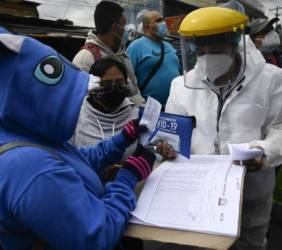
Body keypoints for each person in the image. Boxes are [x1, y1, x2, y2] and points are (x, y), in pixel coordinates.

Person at [0, 27, 157, 250]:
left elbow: (78, 160)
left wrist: (122, 139)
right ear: (32, 97)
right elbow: (96, 235)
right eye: (67, 98)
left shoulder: (25, 131)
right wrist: (127, 179)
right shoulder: (32, 170)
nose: (76, 106)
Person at [165, 7, 282, 250]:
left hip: (250, 194)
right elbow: (174, 133)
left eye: (216, 51)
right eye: (200, 52)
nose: (207, 58)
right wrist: (165, 148)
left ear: (234, 45)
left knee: (248, 245)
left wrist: (264, 150)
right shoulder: (181, 85)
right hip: (198, 195)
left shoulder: (271, 80)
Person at [72, 57, 176, 160]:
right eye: (107, 84)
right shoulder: (75, 116)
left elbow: (148, 148)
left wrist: (160, 150)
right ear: (93, 86)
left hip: (130, 174)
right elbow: (66, 156)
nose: (114, 88)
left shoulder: (137, 116)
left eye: (120, 83)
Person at [72, 1, 144, 105]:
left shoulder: (122, 54)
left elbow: (134, 90)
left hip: (132, 117)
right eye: (124, 24)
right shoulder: (85, 58)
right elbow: (80, 102)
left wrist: (143, 109)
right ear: (115, 28)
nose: (127, 29)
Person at [126, 10, 181, 107]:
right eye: (158, 20)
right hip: (149, 110)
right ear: (147, 27)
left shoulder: (169, 46)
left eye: (163, 19)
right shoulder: (136, 46)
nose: (163, 23)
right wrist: (140, 104)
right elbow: (127, 80)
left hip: (174, 108)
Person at [249, 17, 282, 94]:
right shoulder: (251, 64)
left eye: (271, 29)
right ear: (253, 39)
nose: (272, 34)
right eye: (265, 32)